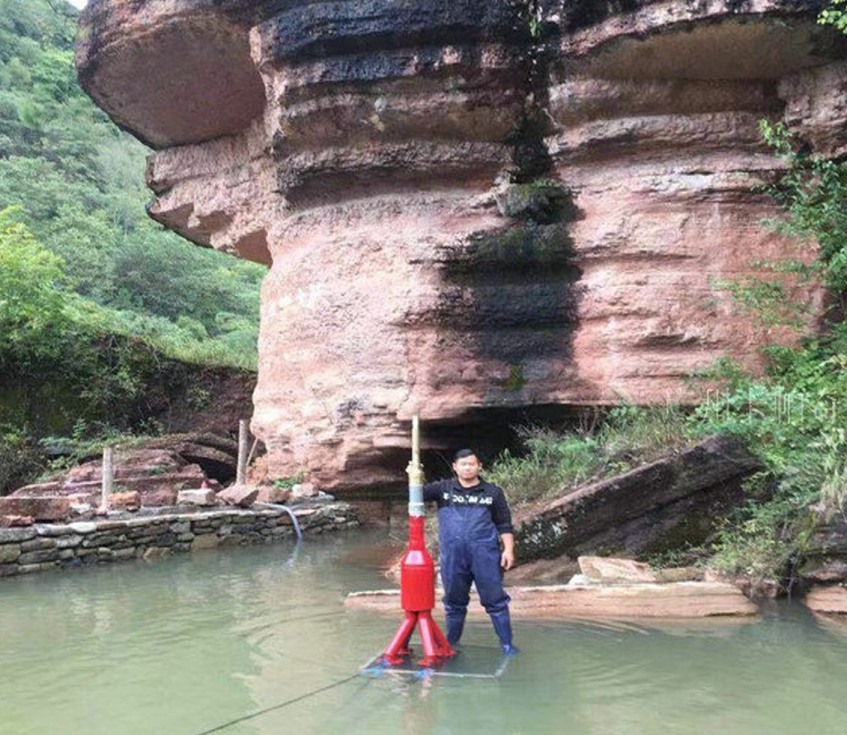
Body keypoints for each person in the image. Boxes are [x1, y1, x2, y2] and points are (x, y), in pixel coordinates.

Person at [423, 448, 518, 654]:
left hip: (485, 555)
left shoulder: (493, 492)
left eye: (472, 464)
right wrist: (414, 474)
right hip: (453, 557)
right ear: (455, 467)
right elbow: (414, 495)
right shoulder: (443, 489)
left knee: (495, 601)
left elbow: (504, 524)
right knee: (454, 603)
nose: (467, 468)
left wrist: (508, 550)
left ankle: (507, 645)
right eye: (463, 464)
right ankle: (451, 645)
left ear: (479, 467)